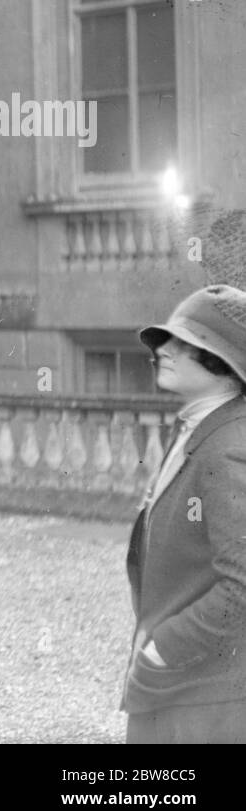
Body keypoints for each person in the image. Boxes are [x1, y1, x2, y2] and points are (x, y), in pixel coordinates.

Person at [124, 284, 246, 743]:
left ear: (225, 362)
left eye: (187, 343)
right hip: (186, 690)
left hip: (206, 704)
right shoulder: (202, 427)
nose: (165, 350)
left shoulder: (229, 447)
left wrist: (163, 648)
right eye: (167, 338)